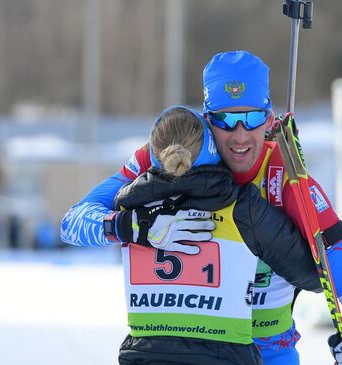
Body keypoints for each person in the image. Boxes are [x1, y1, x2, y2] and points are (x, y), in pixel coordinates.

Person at [115, 50, 342, 365]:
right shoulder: (171, 156)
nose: (240, 135)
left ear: (269, 119)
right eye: (225, 120)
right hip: (197, 355)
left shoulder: (285, 177)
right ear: (206, 120)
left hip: (270, 354)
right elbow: (77, 221)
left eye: (252, 118)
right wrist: (123, 225)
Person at [62, 106, 322, 365]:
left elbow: (71, 224)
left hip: (146, 356)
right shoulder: (244, 208)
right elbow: (314, 275)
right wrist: (276, 155)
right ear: (213, 150)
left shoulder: (132, 202)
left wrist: (126, 226)